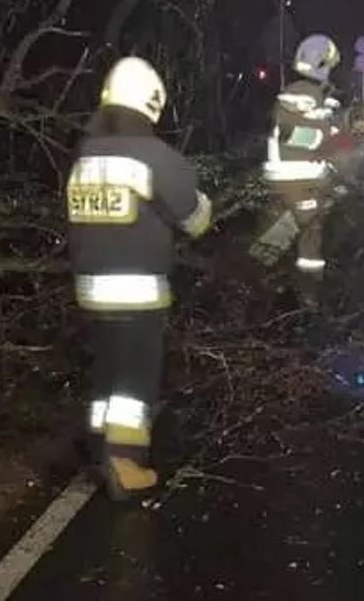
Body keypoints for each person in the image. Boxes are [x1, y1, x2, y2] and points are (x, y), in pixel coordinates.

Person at [65, 56, 212, 499]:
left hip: (90, 289)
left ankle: (99, 449)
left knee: (107, 371)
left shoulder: (85, 156)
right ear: (152, 104)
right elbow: (194, 220)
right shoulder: (154, 156)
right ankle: (125, 465)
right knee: (134, 380)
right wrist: (202, 202)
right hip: (137, 291)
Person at [260, 34, 343, 303]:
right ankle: (308, 298)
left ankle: (264, 283)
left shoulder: (296, 93)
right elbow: (294, 135)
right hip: (301, 179)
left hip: (282, 177)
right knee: (310, 237)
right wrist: (329, 139)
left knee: (278, 236)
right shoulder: (305, 96)